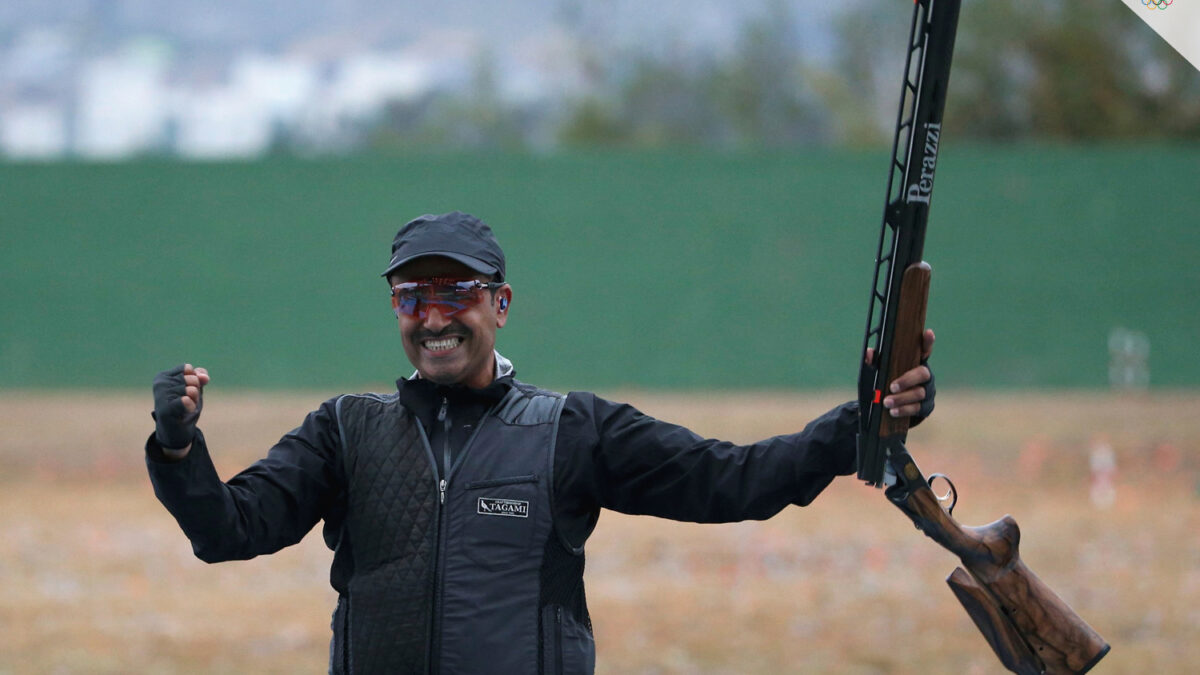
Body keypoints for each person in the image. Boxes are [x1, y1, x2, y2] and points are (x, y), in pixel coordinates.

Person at [146, 211, 935, 675]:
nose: (432, 316)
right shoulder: (343, 429)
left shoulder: (572, 429)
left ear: (502, 304)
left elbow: (732, 481)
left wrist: (856, 423)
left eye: (456, 293)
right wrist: (180, 446)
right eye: (411, 296)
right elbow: (228, 529)